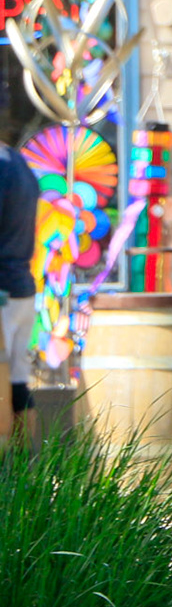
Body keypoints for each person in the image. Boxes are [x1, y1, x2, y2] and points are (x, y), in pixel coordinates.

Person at [0, 139, 37, 439]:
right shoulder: (19, 162)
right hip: (22, 285)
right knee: (17, 381)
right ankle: (28, 474)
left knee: (5, 381)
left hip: (2, 293)